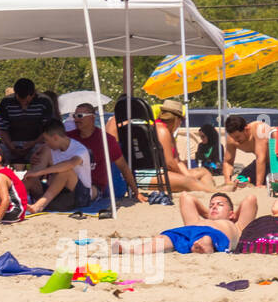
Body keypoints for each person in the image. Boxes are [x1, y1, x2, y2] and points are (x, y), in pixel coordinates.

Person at [112, 191, 258, 258]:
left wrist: (232, 217)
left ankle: (203, 246)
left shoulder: (237, 226)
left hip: (215, 235)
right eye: (211, 205)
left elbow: (250, 200)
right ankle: (129, 250)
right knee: (163, 239)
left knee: (207, 238)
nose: (213, 207)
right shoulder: (196, 221)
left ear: (232, 213)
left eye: (220, 205)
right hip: (190, 230)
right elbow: (186, 197)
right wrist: (208, 215)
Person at [65, 104, 143, 202]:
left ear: (92, 117)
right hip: (70, 181)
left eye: (80, 116)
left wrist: (137, 192)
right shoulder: (68, 137)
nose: (76, 119)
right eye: (74, 116)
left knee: (81, 195)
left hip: (93, 187)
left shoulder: (107, 140)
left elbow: (123, 167)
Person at [24, 120, 93, 213]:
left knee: (66, 171)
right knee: (30, 177)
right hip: (55, 193)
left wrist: (41, 172)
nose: (45, 143)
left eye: (47, 140)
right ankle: (8, 200)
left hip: (79, 196)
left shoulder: (80, 149)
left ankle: (39, 205)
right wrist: (32, 172)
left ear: (55, 138)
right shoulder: (48, 148)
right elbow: (36, 170)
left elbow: (70, 164)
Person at [154, 98, 215, 192]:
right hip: (151, 175)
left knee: (203, 171)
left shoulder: (169, 133)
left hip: (163, 173)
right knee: (189, 181)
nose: (180, 123)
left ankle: (211, 192)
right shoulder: (161, 130)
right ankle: (213, 191)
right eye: (181, 120)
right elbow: (169, 163)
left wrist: (187, 174)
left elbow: (177, 161)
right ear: (175, 119)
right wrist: (185, 177)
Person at [0, 78, 56, 166]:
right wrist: (11, 147)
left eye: (27, 101)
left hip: (37, 144)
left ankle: (36, 176)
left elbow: (48, 129)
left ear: (33, 94)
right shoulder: (6, 102)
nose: (23, 104)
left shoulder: (44, 101)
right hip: (11, 144)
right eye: (20, 100)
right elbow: (3, 129)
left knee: (46, 151)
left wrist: (32, 143)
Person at [223, 115, 269, 189]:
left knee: (270, 183)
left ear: (246, 129)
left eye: (237, 137)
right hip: (258, 165)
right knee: (239, 181)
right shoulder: (231, 139)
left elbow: (261, 157)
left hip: (276, 163)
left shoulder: (260, 129)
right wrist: (227, 181)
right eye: (233, 137)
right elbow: (228, 162)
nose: (235, 140)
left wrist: (258, 184)